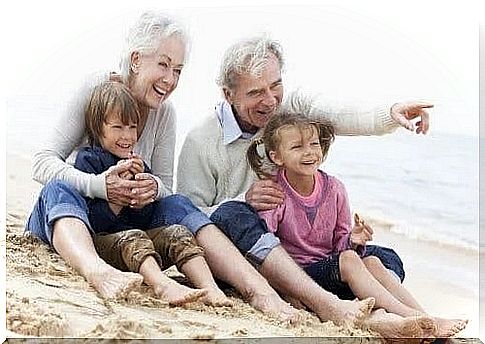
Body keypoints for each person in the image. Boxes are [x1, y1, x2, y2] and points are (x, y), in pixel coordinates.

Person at [176, 35, 446, 336]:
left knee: (383, 258)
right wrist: (244, 200)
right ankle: (325, 302)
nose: (270, 100)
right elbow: (188, 219)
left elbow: (333, 111)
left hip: (303, 261)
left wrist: (390, 113)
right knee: (233, 214)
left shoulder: (287, 113)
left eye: (275, 85)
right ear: (228, 94)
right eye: (255, 92)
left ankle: (383, 314)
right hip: (244, 260)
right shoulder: (201, 141)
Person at [246, 95, 468, 338]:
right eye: (297, 147)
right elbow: (267, 249)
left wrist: (354, 239)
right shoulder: (274, 192)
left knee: (372, 261)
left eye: (314, 144)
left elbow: (340, 245)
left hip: (333, 272)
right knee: (350, 260)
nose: (309, 152)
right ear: (276, 156)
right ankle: (415, 317)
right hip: (300, 277)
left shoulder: (334, 189)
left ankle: (421, 315)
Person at [32, 79, 232, 306]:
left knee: (177, 232)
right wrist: (116, 200)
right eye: (118, 127)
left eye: (133, 127)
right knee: (135, 238)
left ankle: (210, 288)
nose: (127, 136)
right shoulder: (88, 161)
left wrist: (143, 197)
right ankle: (162, 285)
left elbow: (146, 218)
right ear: (98, 129)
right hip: (104, 242)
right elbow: (92, 221)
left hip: (135, 243)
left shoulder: (137, 165)